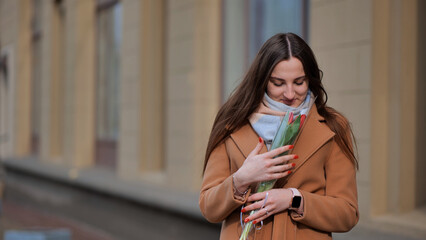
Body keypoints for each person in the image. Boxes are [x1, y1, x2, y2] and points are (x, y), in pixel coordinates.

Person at [199, 33, 358, 240]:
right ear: (263, 80)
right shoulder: (233, 122)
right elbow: (209, 208)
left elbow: (347, 213)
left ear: (310, 79)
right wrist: (241, 179)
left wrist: (294, 199)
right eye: (278, 83)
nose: (290, 94)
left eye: (299, 82)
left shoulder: (333, 127)